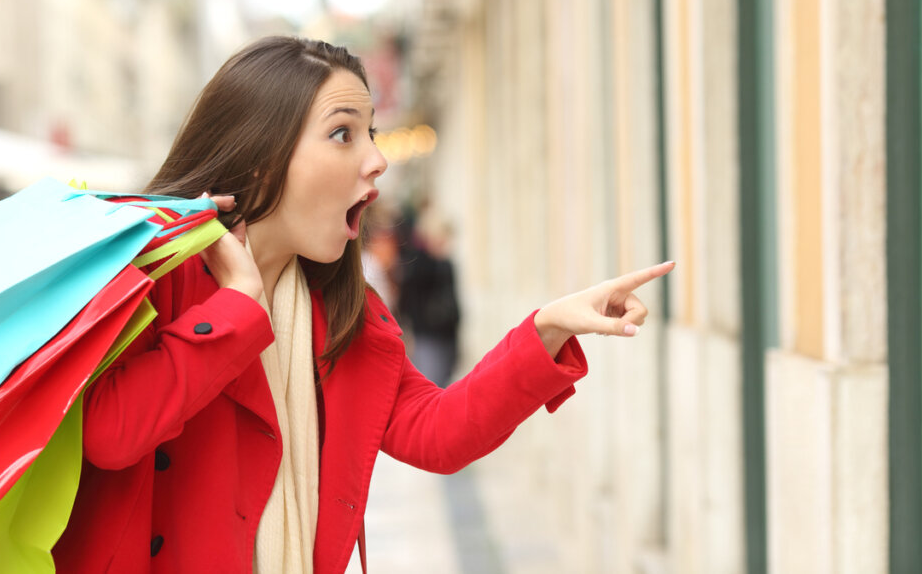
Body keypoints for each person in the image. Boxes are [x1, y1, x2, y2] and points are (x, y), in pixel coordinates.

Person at [52, 36, 674, 574]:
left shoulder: (342, 309)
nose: (376, 160)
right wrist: (239, 308)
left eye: (369, 133)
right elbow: (110, 433)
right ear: (261, 154)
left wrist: (545, 328)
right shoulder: (147, 277)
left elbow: (438, 432)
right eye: (342, 133)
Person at [397, 206, 461, 386]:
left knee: (445, 382)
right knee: (432, 384)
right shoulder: (418, 264)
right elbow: (408, 300)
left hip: (448, 335)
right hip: (427, 336)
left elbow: (453, 300)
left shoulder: (446, 264)